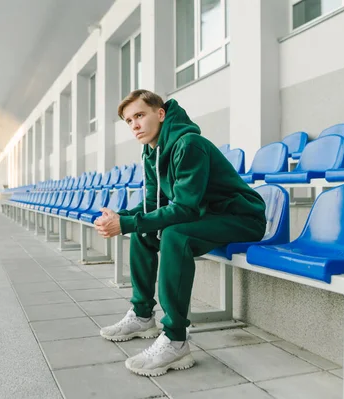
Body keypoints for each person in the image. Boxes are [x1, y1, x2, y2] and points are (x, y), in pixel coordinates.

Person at [93, 89, 267, 377]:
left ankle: (175, 339)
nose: (134, 124)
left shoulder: (189, 144)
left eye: (139, 115)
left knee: (175, 234)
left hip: (242, 218)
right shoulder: (151, 151)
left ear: (160, 114)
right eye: (128, 120)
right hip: (207, 217)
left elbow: (185, 209)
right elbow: (150, 204)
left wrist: (125, 223)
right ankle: (142, 314)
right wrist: (120, 218)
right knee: (144, 232)